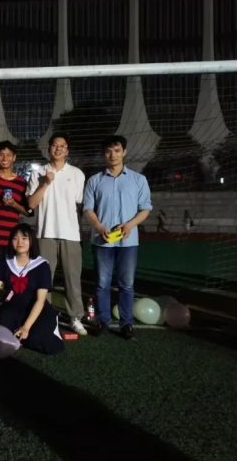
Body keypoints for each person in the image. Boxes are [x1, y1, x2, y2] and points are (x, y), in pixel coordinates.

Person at [84, 135, 152, 340]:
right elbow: (88, 209)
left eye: (116, 150)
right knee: (102, 283)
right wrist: (98, 226)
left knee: (127, 284)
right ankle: (102, 321)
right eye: (108, 151)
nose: (112, 155)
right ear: (103, 154)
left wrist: (130, 225)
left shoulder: (138, 180)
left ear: (124, 152)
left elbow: (145, 208)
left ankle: (126, 323)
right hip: (102, 241)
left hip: (128, 242)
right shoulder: (94, 180)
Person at [27, 133, 87, 336]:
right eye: (55, 145)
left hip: (71, 234)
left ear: (67, 150)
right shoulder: (38, 173)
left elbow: (79, 201)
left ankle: (75, 317)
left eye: (62, 145)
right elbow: (31, 203)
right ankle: (45, 316)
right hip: (46, 233)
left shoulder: (77, 174)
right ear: (49, 148)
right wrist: (45, 183)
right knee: (44, 279)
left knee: (72, 278)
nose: (58, 148)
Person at [0, 223, 64, 355]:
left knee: (38, 340)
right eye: (15, 238)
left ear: (31, 241)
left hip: (36, 308)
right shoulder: (6, 262)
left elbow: (40, 300)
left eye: (24, 238)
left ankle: (52, 329)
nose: (19, 242)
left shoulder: (42, 265)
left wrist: (26, 327)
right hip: (12, 308)